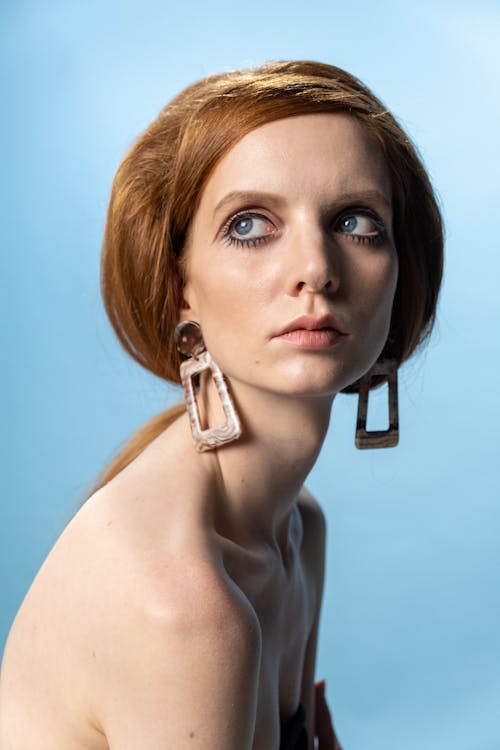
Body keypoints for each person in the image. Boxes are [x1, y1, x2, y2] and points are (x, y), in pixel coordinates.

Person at [0, 60, 443, 749]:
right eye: (249, 226)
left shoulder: (300, 530)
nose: (316, 269)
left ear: (401, 271)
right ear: (182, 292)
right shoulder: (186, 610)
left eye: (355, 221)